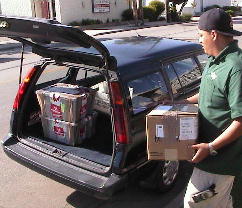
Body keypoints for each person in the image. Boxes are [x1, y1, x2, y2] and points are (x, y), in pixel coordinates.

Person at [178, 8, 242, 208]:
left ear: (213, 34)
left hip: (222, 160)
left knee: (194, 204)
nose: (199, 40)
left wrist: (211, 147)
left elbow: (241, 121)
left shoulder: (235, 66)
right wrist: (184, 102)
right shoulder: (215, 59)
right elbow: (210, 93)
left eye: (200, 35)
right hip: (208, 153)